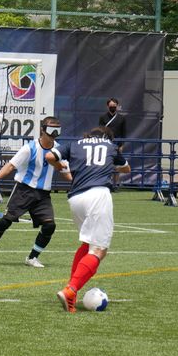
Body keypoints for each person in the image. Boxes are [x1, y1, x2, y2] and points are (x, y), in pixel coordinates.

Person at [46, 126, 130, 313]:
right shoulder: (110, 146)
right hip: (98, 194)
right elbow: (126, 168)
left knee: (87, 244)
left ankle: (71, 291)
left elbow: (50, 157)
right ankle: (71, 289)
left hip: (76, 198)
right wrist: (110, 164)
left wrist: (62, 168)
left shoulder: (74, 144)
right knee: (99, 249)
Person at [0, 116, 69, 268]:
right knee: (5, 222)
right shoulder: (29, 148)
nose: (54, 133)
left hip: (43, 195)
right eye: (51, 130)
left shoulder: (59, 149)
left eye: (58, 130)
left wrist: (78, 183)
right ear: (43, 130)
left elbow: (66, 170)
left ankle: (32, 257)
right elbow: (11, 166)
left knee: (50, 226)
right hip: (23, 190)